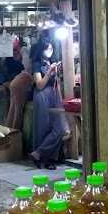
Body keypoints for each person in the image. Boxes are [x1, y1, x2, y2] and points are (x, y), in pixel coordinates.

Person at [30, 38, 69, 169]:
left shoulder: (51, 62)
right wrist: (48, 72)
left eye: (51, 48)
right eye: (47, 48)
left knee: (60, 128)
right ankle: (46, 160)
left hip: (54, 94)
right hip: (42, 96)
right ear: (41, 49)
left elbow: (56, 81)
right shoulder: (36, 64)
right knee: (43, 128)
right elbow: (39, 85)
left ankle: (39, 153)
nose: (50, 51)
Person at [5, 44, 32, 131]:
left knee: (12, 110)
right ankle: (15, 133)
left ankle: (8, 132)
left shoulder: (24, 54)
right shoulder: (25, 52)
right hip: (20, 83)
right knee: (17, 112)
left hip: (15, 82)